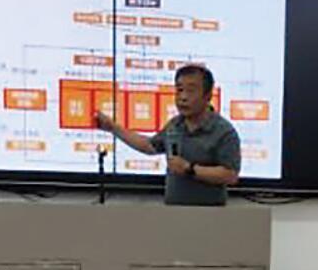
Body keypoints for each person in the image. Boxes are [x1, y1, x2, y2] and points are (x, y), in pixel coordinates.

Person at [95, 65, 241, 205]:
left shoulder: (223, 131)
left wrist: (189, 169)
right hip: (172, 212)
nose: (183, 97)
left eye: (191, 91)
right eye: (179, 90)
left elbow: (230, 175)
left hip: (211, 215)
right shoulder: (175, 125)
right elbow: (149, 146)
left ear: (208, 96)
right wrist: (113, 128)